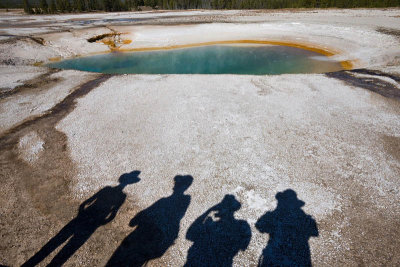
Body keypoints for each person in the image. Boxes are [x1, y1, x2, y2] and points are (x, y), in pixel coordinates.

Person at [23, 171, 141, 267]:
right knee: (70, 248)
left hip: (84, 216)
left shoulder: (107, 189)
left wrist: (82, 213)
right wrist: (101, 222)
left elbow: (86, 203)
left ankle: (30, 263)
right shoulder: (122, 196)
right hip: (94, 222)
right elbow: (113, 213)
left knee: (57, 240)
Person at [106, 175, 193, 267]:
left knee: (121, 258)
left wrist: (137, 219)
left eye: (176, 184)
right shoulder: (183, 200)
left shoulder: (167, 201)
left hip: (144, 234)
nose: (174, 186)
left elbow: (135, 221)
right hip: (154, 235)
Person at [255, 189, 319, 267]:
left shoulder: (274, 215)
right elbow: (314, 232)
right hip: (297, 257)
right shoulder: (305, 218)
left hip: (277, 255)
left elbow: (259, 226)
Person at [185, 194, 251, 267]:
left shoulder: (211, 224)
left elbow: (189, 235)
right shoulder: (243, 226)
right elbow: (243, 246)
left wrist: (209, 211)